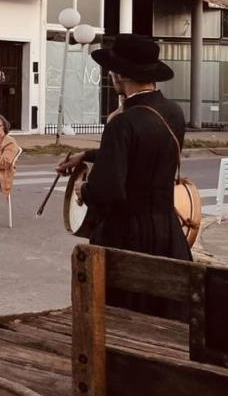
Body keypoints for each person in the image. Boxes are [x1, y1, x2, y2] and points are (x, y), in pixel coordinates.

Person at [55, 33, 191, 270]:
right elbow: (142, 154)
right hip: (167, 233)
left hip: (128, 237)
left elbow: (108, 190)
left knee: (121, 304)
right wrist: (86, 156)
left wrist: (83, 189)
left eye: (111, 70)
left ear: (121, 75)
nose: (110, 74)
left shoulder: (123, 121)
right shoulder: (173, 112)